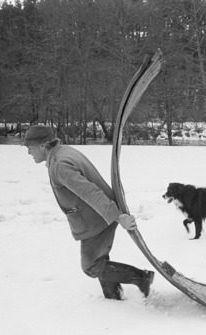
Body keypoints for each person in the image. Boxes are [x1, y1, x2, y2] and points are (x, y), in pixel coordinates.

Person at [23, 124, 154, 300]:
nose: (29, 153)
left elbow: (90, 192)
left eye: (30, 148)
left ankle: (141, 278)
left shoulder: (60, 165)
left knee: (91, 265)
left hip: (96, 219)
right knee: (99, 260)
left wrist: (117, 217)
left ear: (42, 145)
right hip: (98, 215)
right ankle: (112, 296)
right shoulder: (63, 151)